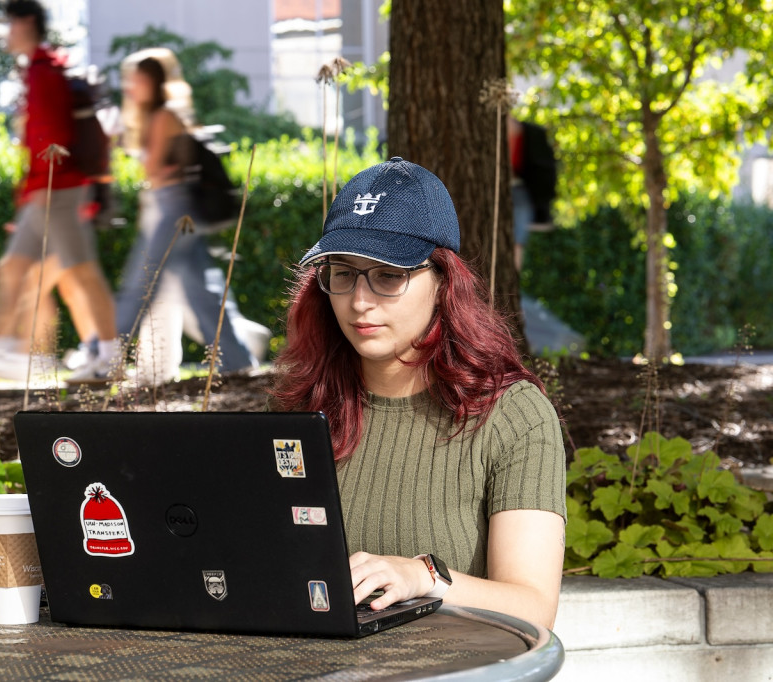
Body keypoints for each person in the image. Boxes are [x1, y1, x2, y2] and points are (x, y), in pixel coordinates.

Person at [270, 157, 566, 628]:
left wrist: (424, 577)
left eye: (389, 274)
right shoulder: (299, 409)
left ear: (444, 282)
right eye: (342, 273)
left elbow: (534, 607)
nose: (359, 301)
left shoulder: (514, 416)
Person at [0, 0, 118, 382]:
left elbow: (54, 138)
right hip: (45, 193)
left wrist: (42, 187)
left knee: (83, 273)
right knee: (13, 268)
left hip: (59, 192)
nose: (3, 33)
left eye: (6, 24)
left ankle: (109, 357)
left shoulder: (45, 73)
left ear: (25, 22)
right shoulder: (38, 71)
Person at [115, 52, 262, 385]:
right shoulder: (164, 116)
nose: (130, 87)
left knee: (142, 283)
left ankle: (107, 351)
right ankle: (238, 362)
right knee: (202, 293)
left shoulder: (162, 117)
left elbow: (153, 171)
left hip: (173, 207)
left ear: (151, 82)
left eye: (136, 80)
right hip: (178, 208)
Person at [508, 115, 557, 271]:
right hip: (521, 193)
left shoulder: (523, 132)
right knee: (516, 244)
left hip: (519, 192)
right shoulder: (528, 132)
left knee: (516, 244)